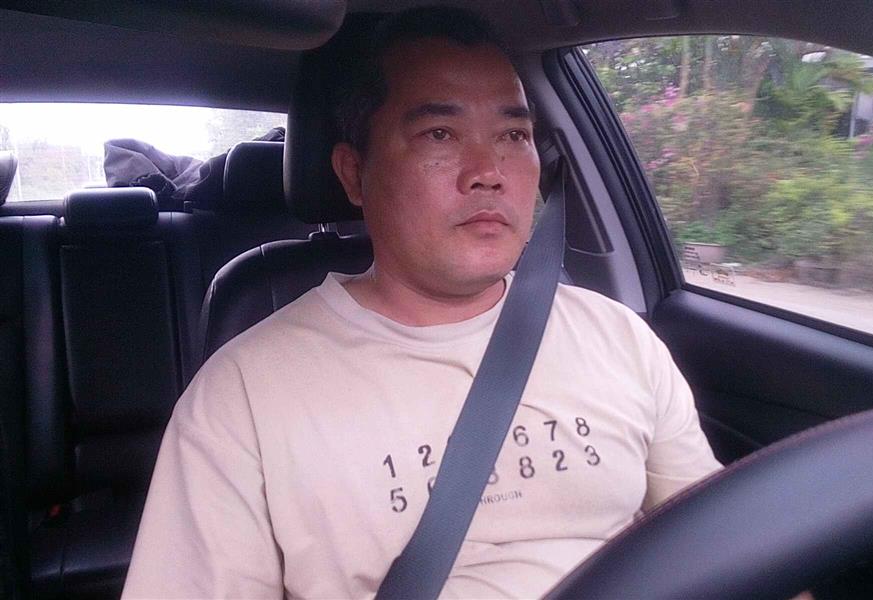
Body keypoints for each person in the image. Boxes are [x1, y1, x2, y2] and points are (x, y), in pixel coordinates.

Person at [122, 7, 722, 598]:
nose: (488, 171)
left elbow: (721, 547)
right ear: (353, 174)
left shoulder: (619, 337)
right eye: (440, 134)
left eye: (513, 135)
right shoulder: (241, 396)